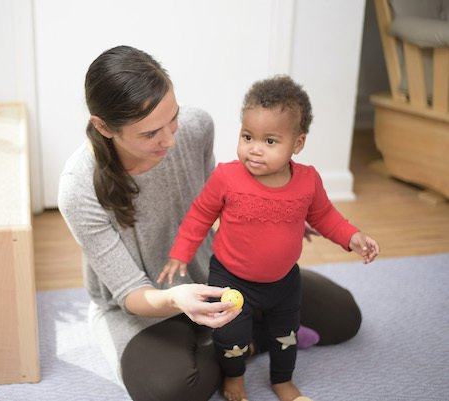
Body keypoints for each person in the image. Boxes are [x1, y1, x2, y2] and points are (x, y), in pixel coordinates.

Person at [58, 45, 365, 401]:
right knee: (170, 390)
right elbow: (130, 293)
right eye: (150, 134)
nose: (171, 139)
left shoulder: (196, 126)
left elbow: (221, 201)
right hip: (146, 306)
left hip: (218, 276)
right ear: (103, 127)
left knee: (344, 317)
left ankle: (237, 339)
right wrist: (176, 299)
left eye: (173, 117)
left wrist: (279, 212)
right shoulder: (78, 187)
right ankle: (242, 343)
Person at [157, 75, 380, 401]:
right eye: (248, 137)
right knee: (230, 339)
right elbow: (200, 215)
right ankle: (234, 378)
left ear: (297, 144)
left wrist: (353, 236)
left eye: (270, 141)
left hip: (283, 282)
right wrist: (180, 253)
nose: (255, 149)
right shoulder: (227, 177)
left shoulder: (307, 181)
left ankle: (282, 381)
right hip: (230, 279)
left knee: (285, 335)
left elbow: (325, 217)